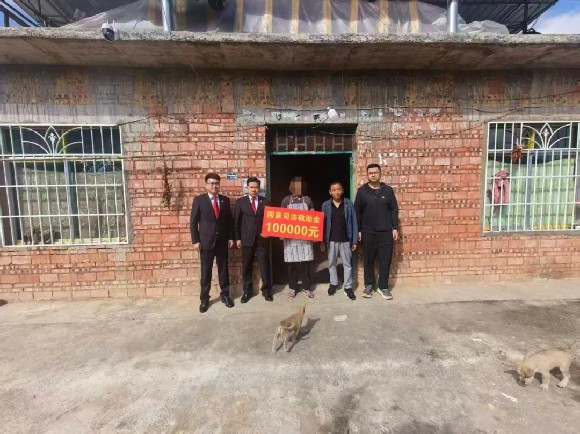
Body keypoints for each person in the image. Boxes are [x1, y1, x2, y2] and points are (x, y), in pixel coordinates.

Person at [190, 172, 235, 313]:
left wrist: (231, 237)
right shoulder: (199, 200)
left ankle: (225, 295)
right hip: (205, 242)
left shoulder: (225, 200)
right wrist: (195, 240)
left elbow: (229, 221)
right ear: (206, 185)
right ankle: (204, 299)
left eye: (217, 183)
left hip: (222, 241)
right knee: (206, 272)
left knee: (223, 270)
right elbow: (193, 222)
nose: (214, 186)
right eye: (211, 183)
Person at [354, 164, 399, 300]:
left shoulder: (388, 190)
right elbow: (357, 212)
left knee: (385, 260)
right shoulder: (362, 191)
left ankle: (383, 287)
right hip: (368, 232)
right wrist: (359, 230)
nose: (373, 175)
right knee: (368, 260)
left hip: (385, 232)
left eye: (375, 172)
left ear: (380, 174)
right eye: (370, 173)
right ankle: (369, 286)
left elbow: (394, 209)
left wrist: (395, 227)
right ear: (367, 175)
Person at [234, 176, 273, 303]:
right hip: (246, 239)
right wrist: (238, 239)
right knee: (247, 266)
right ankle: (247, 291)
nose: (254, 189)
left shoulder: (266, 201)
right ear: (247, 188)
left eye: (256, 187)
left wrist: (269, 233)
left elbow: (271, 220)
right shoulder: (240, 202)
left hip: (262, 239)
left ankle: (267, 291)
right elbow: (236, 222)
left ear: (259, 188)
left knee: (264, 265)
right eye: (251, 187)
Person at [321, 181, 358, 301]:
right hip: (331, 239)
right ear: (330, 192)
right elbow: (322, 224)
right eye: (334, 190)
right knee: (332, 263)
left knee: (347, 264)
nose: (337, 192)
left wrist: (354, 240)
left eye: (339, 189)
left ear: (342, 190)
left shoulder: (348, 204)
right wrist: (322, 241)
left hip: (346, 239)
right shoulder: (326, 205)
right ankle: (333, 283)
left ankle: (348, 287)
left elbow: (353, 221)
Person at [281, 177, 315, 299]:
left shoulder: (307, 200)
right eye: (295, 186)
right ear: (291, 187)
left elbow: (313, 217)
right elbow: (281, 218)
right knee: (292, 265)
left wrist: (314, 234)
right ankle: (293, 288)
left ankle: (306, 287)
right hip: (290, 239)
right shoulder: (286, 201)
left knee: (305, 264)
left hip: (305, 238)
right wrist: (281, 233)